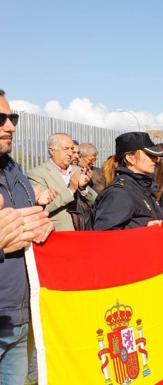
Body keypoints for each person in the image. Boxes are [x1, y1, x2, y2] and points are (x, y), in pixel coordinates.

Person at [0, 88, 54, 383]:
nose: (10, 126)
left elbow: (28, 221)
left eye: (13, 117)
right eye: (0, 119)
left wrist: (43, 226)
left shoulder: (14, 168)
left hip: (19, 316)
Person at [93, 132, 163, 230]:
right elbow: (106, 235)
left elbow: (152, 220)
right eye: (150, 155)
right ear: (130, 158)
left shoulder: (142, 187)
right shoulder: (120, 193)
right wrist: (144, 231)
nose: (156, 160)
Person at [28, 133, 97, 231]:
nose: (70, 153)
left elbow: (96, 201)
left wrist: (83, 188)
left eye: (72, 149)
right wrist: (70, 190)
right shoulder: (37, 174)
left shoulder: (78, 170)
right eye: (66, 149)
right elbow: (42, 209)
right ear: (52, 151)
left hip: (84, 234)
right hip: (58, 237)